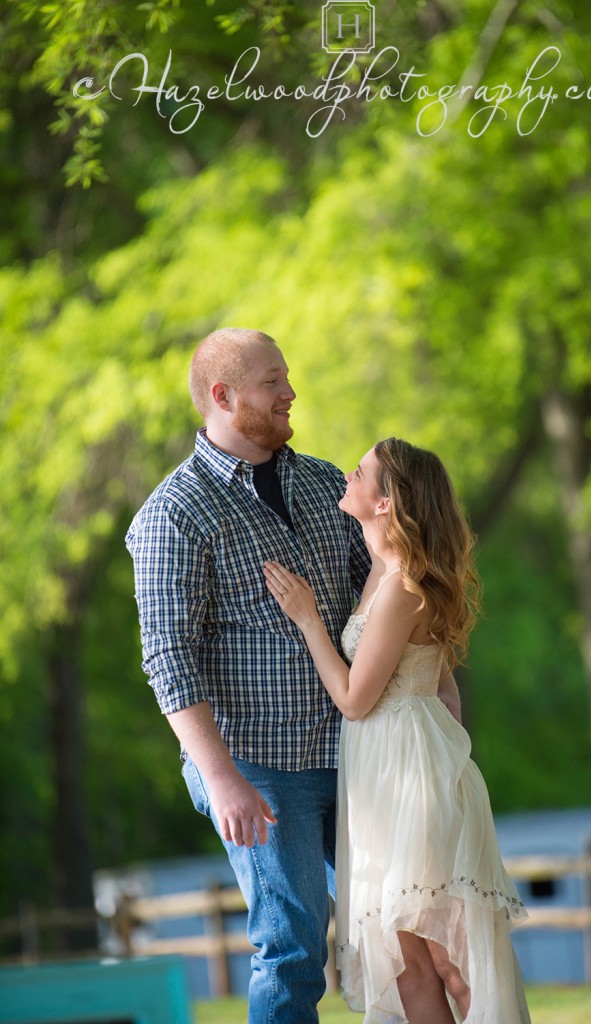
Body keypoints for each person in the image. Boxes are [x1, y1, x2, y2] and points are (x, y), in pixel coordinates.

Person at [125, 328, 371, 1024]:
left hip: (353, 749)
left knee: (393, 924)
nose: (290, 393)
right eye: (273, 382)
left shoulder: (327, 484)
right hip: (257, 767)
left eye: (286, 377)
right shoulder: (174, 513)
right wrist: (221, 775)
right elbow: (168, 655)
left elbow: (382, 600)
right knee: (292, 948)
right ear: (224, 396)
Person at [263, 438, 532, 1024]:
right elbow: (444, 688)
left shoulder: (403, 585)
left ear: (385, 503)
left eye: (360, 473)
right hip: (388, 773)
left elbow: (355, 701)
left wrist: (308, 618)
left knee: (447, 955)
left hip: (407, 777)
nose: (347, 476)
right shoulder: (384, 574)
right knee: (407, 957)